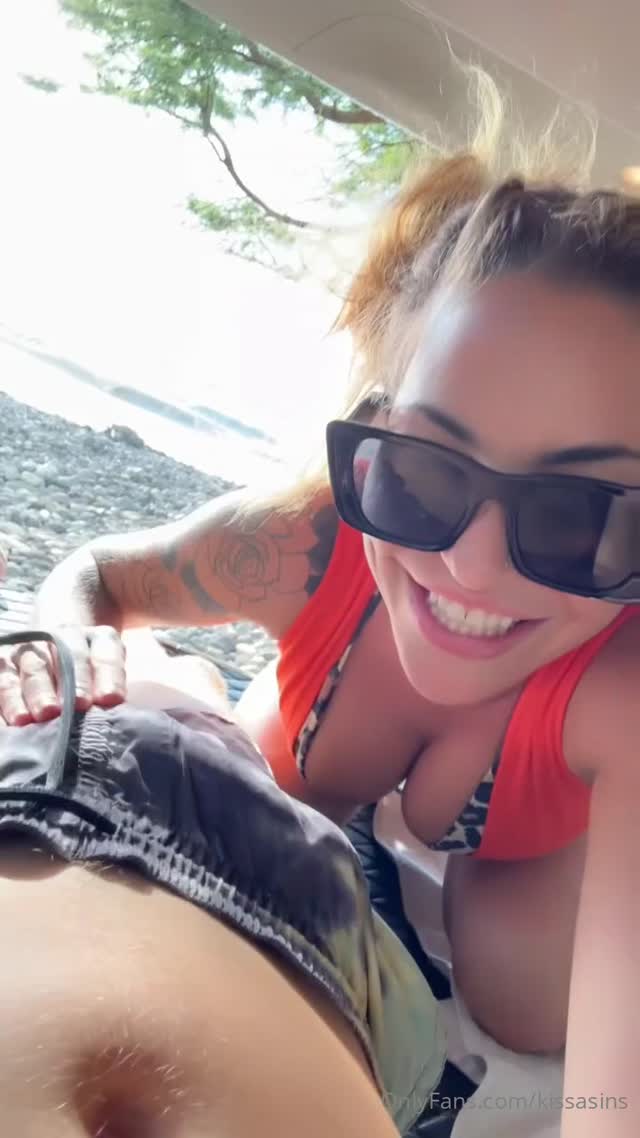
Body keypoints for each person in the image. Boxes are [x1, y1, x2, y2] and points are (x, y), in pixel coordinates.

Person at [3, 84, 640, 1131]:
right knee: (166, 714)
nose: (473, 565)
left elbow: (611, 1098)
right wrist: (62, 644)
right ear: (375, 428)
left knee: (524, 996)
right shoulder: (306, 543)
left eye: (576, 515)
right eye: (425, 473)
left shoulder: (619, 686)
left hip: (512, 871)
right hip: (247, 819)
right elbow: (101, 573)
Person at [0, 629, 444, 1136]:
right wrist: (66, 633)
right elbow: (93, 602)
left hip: (125, 800)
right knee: (181, 691)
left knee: (180, 693)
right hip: (147, 804)